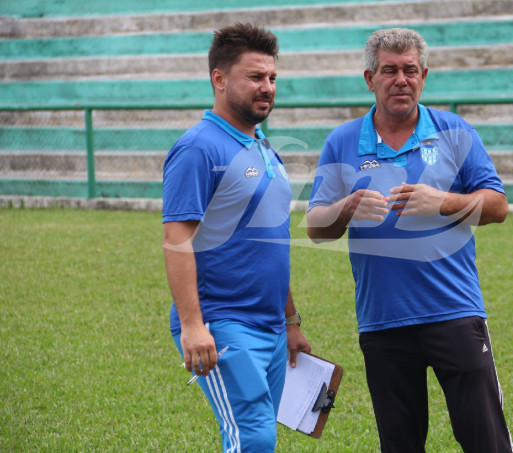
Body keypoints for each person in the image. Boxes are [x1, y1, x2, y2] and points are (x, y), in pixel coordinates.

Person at [306, 28, 513, 452]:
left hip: (455, 312)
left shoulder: (454, 131)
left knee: (485, 439)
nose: (400, 79)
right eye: (389, 71)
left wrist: (443, 201)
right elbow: (315, 225)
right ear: (369, 78)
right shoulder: (342, 141)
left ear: (424, 75)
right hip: (384, 321)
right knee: (400, 445)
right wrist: (346, 208)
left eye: (410, 70)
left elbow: (498, 206)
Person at [162, 23, 310, 453]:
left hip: (270, 325)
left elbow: (273, 241)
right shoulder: (198, 148)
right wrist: (193, 325)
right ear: (219, 79)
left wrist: (290, 320)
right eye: (255, 77)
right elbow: (176, 239)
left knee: (256, 435)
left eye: (272, 78)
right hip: (222, 322)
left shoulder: (264, 146)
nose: (267, 87)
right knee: (254, 436)